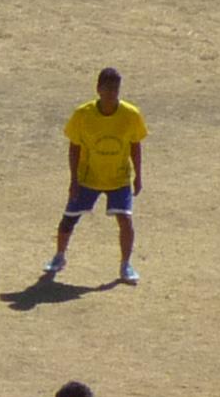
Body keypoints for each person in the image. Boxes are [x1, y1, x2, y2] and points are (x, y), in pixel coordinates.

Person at [46, 69, 145, 287]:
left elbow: (135, 145)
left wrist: (138, 175)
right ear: (98, 89)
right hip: (87, 178)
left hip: (118, 178)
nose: (112, 93)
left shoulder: (131, 115)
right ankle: (59, 256)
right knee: (69, 219)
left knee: (126, 220)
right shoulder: (83, 115)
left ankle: (125, 265)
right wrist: (73, 180)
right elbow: (74, 147)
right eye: (108, 88)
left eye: (116, 89)